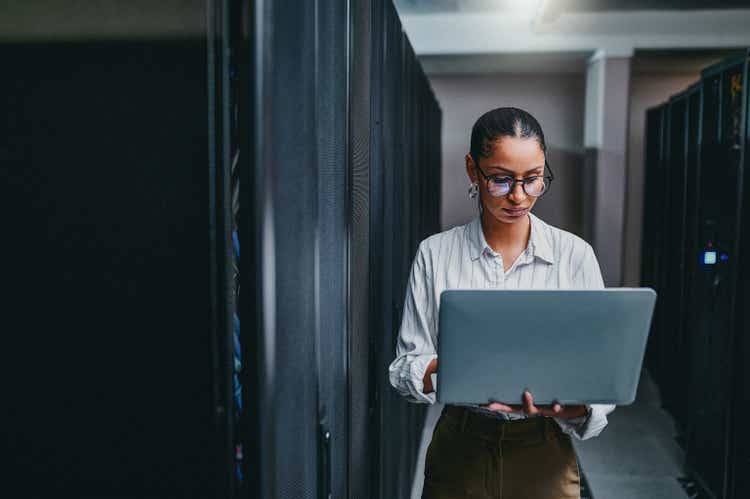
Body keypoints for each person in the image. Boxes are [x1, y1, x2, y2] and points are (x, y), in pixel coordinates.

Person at [388, 107, 616, 499]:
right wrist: (456, 366)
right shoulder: (436, 254)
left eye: (533, 180)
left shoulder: (574, 256)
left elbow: (600, 383)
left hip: (543, 446)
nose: (518, 196)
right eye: (501, 180)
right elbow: (404, 369)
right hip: (461, 444)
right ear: (472, 170)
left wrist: (570, 409)